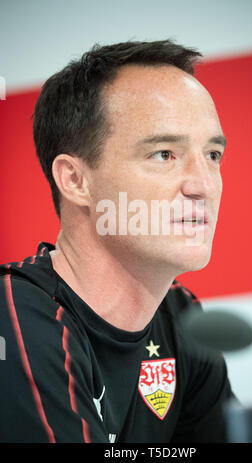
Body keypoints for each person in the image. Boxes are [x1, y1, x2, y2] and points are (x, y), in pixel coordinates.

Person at [0, 39, 235, 443]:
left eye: (213, 155)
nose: (203, 185)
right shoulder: (14, 318)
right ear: (75, 180)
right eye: (164, 154)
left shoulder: (183, 320)